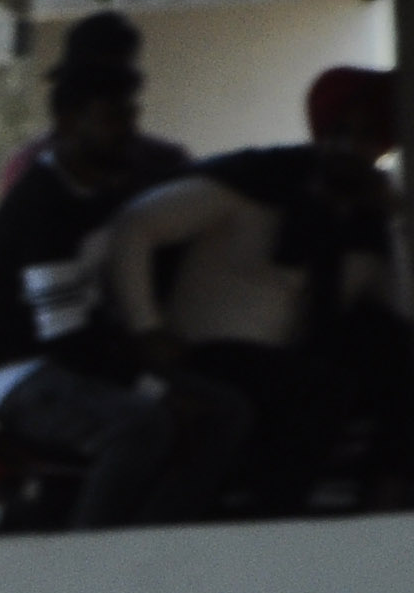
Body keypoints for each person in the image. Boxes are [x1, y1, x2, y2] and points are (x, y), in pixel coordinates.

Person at [0, 54, 254, 527]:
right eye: (113, 117)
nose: (128, 131)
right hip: (22, 374)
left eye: (131, 116)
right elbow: (66, 338)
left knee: (226, 412)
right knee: (139, 426)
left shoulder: (95, 194)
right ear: (68, 123)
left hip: (73, 360)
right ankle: (96, 550)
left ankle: (163, 532)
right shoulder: (43, 207)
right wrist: (153, 389)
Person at [106, 71, 410, 515]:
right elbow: (136, 225)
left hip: (294, 361)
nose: (349, 148)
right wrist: (146, 328)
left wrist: (397, 219)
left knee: (389, 350)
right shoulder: (259, 182)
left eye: (366, 136)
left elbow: (401, 313)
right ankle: (271, 517)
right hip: (209, 353)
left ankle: (385, 498)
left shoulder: (369, 225)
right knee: (319, 390)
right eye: (340, 132)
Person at [0, 10, 192, 201]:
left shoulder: (163, 164)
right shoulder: (30, 168)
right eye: (110, 112)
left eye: (123, 104)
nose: (125, 122)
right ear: (68, 118)